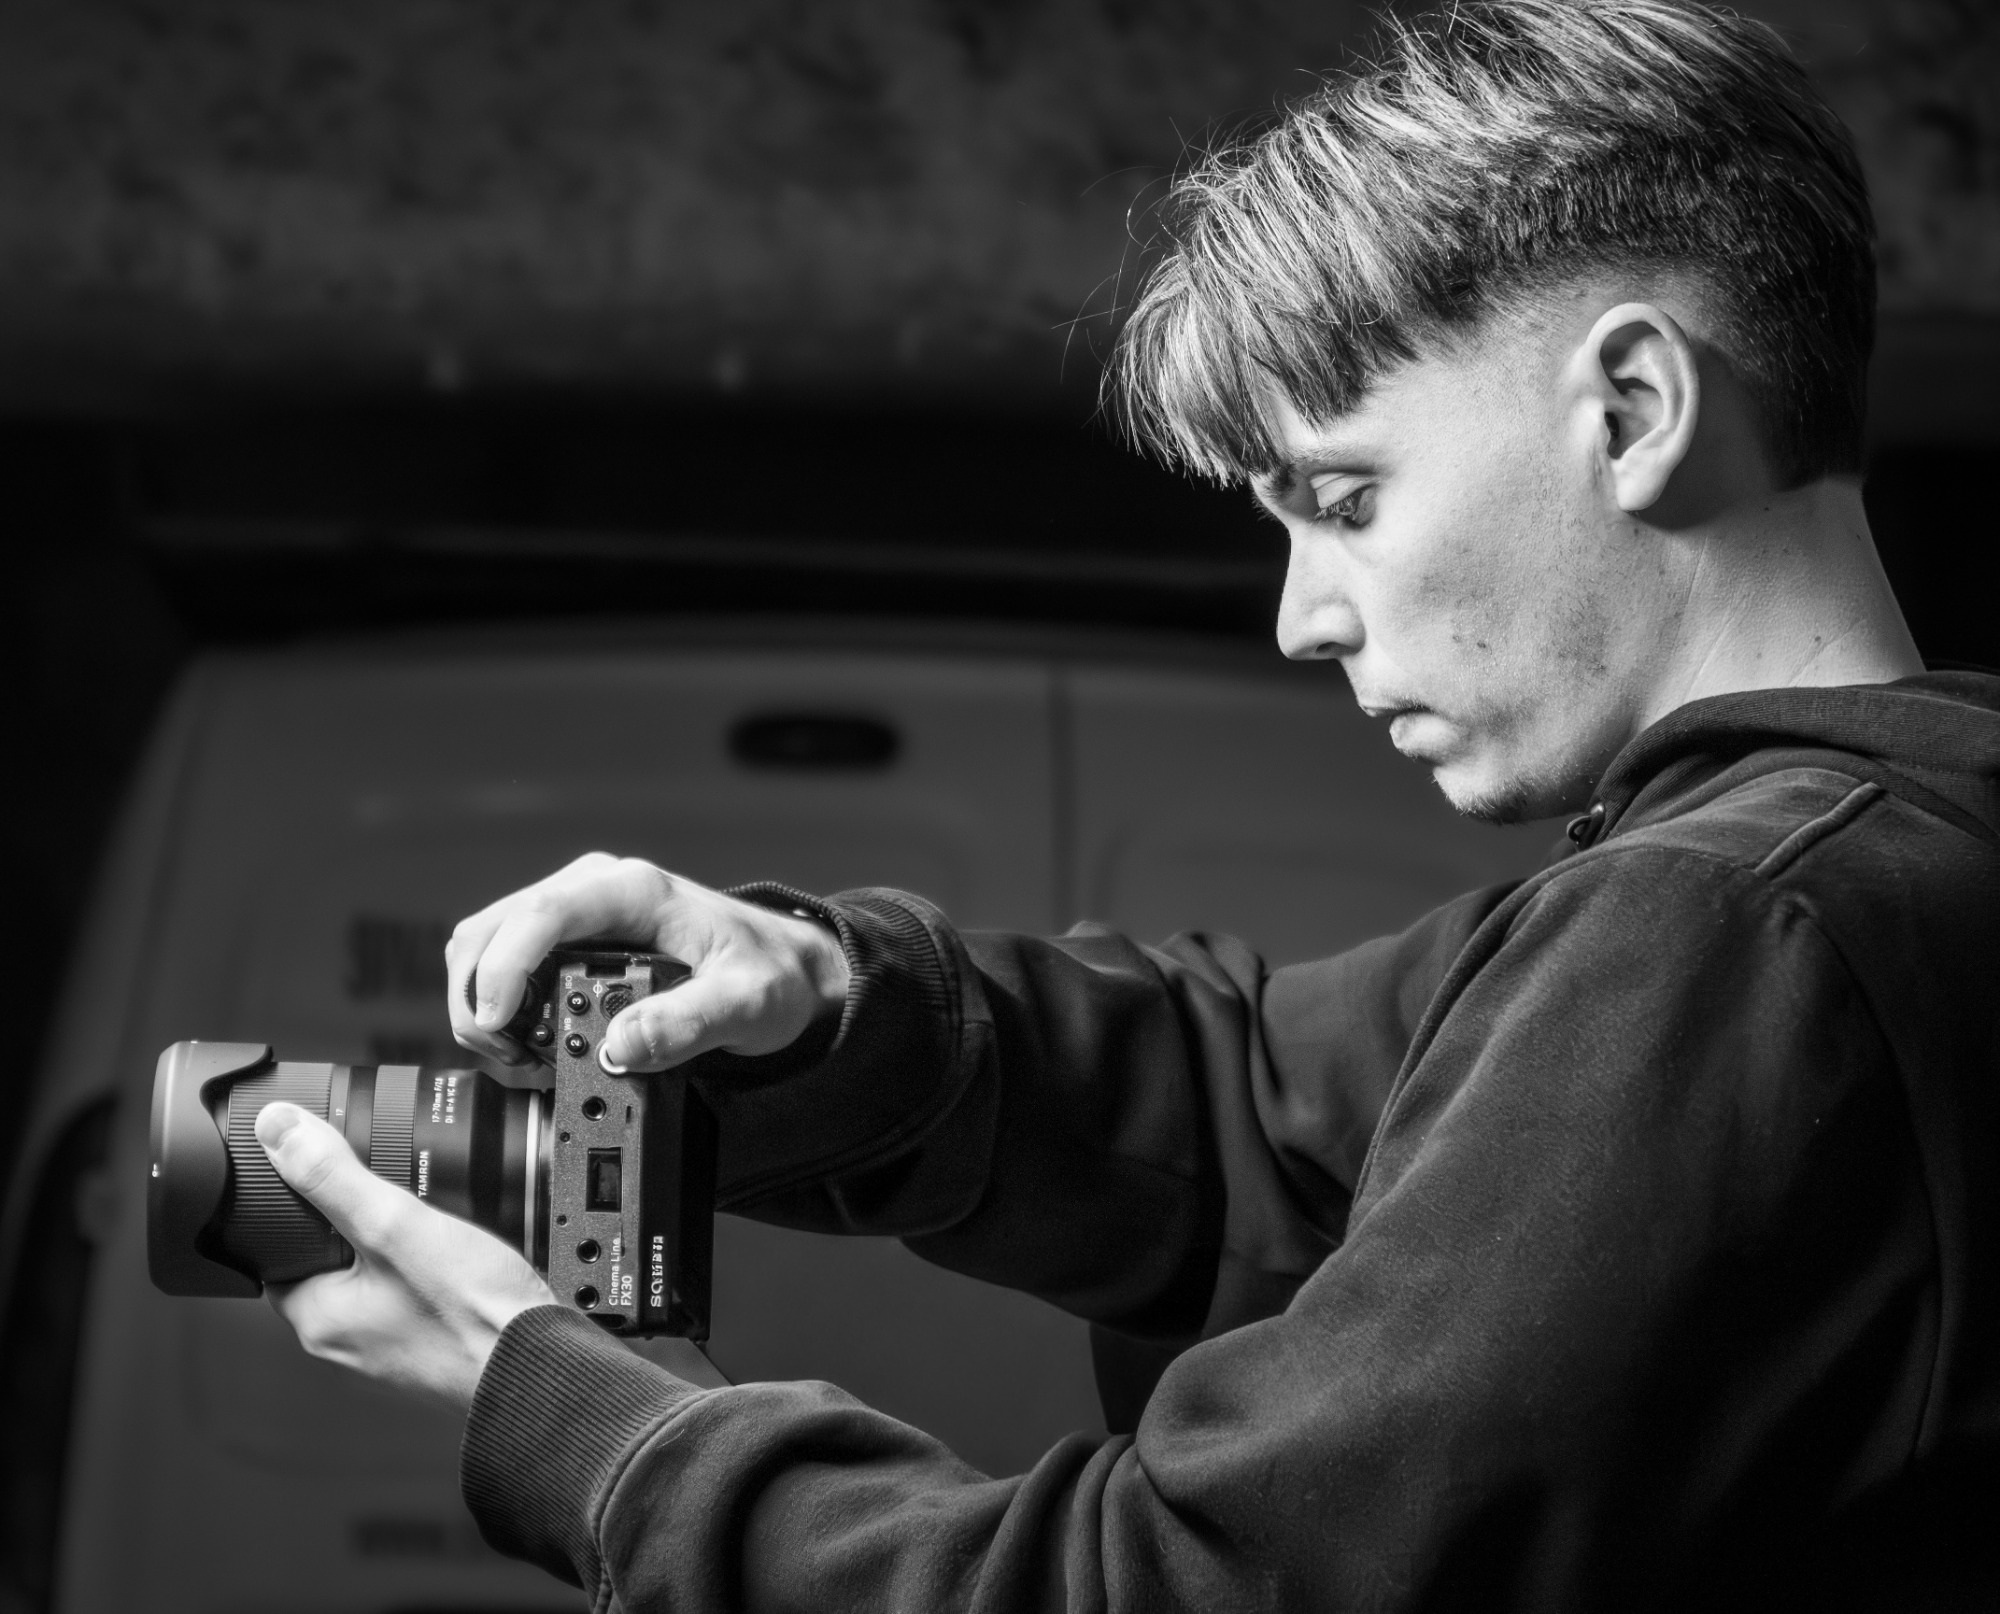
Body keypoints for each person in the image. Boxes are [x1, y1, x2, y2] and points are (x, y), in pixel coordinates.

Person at [250, 1, 2000, 1607]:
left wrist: (589, 1426)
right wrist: (831, 1009)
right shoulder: (1897, 868)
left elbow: (1179, 1589)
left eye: (1346, 499)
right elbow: (1266, 1116)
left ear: (1630, 408)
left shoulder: (1732, 932)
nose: (1303, 617)